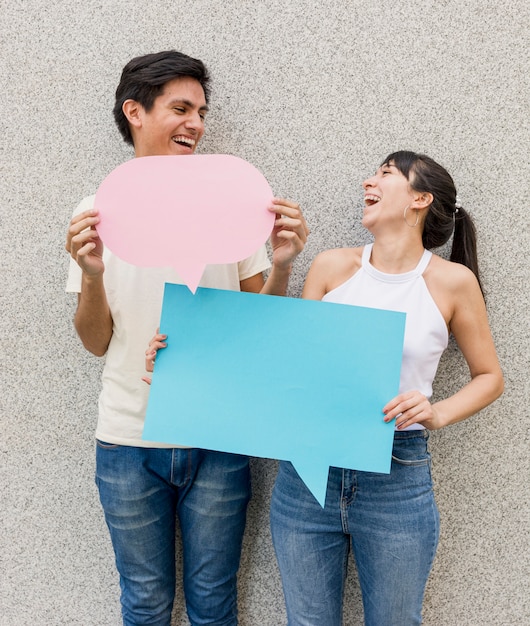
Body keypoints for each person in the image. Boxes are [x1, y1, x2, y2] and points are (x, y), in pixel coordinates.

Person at [65, 50, 309, 626]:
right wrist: (94, 276)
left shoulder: (237, 201)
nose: (196, 123)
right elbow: (95, 341)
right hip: (127, 437)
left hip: (219, 436)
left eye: (201, 110)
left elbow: (259, 330)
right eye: (180, 108)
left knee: (214, 606)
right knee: (145, 604)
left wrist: (282, 267)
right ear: (135, 112)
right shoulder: (95, 212)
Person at [269, 150, 504, 626]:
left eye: (385, 174)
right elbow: (290, 361)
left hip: (398, 471)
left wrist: (435, 412)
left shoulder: (452, 283)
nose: (367, 183)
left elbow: (490, 377)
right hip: (308, 470)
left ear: (420, 199)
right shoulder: (330, 267)